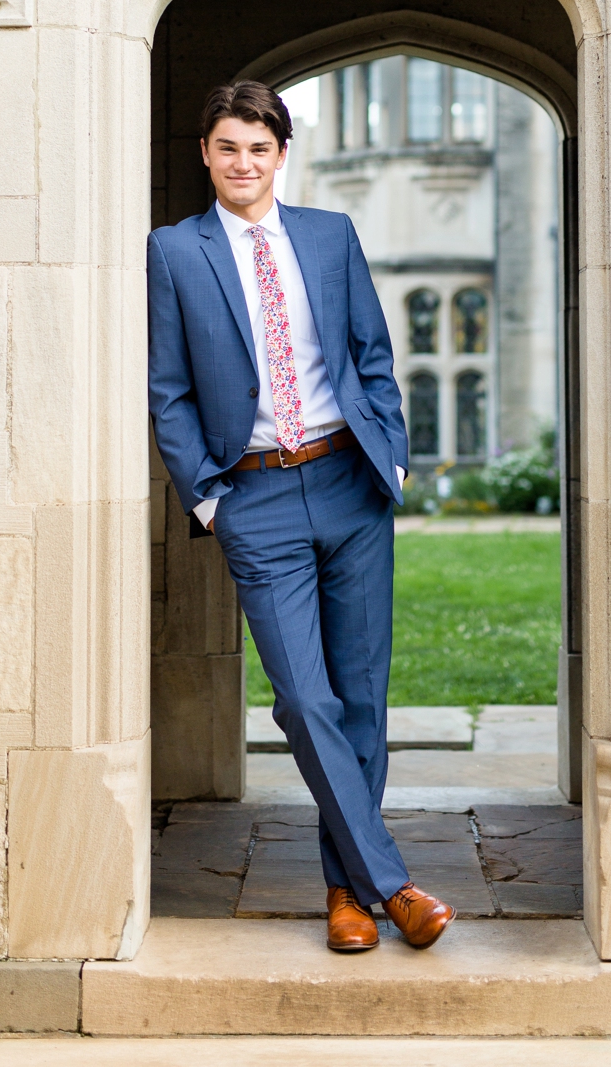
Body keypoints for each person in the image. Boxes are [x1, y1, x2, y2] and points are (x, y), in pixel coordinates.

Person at [148, 80, 455, 954]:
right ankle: (393, 886)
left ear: (283, 154)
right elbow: (168, 391)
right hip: (256, 498)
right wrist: (209, 498)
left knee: (361, 698)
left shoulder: (330, 236)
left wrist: (389, 453)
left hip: (350, 485)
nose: (243, 163)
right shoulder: (175, 252)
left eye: (259, 147)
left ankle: (345, 896)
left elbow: (371, 351)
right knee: (304, 698)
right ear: (205, 156)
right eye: (227, 148)